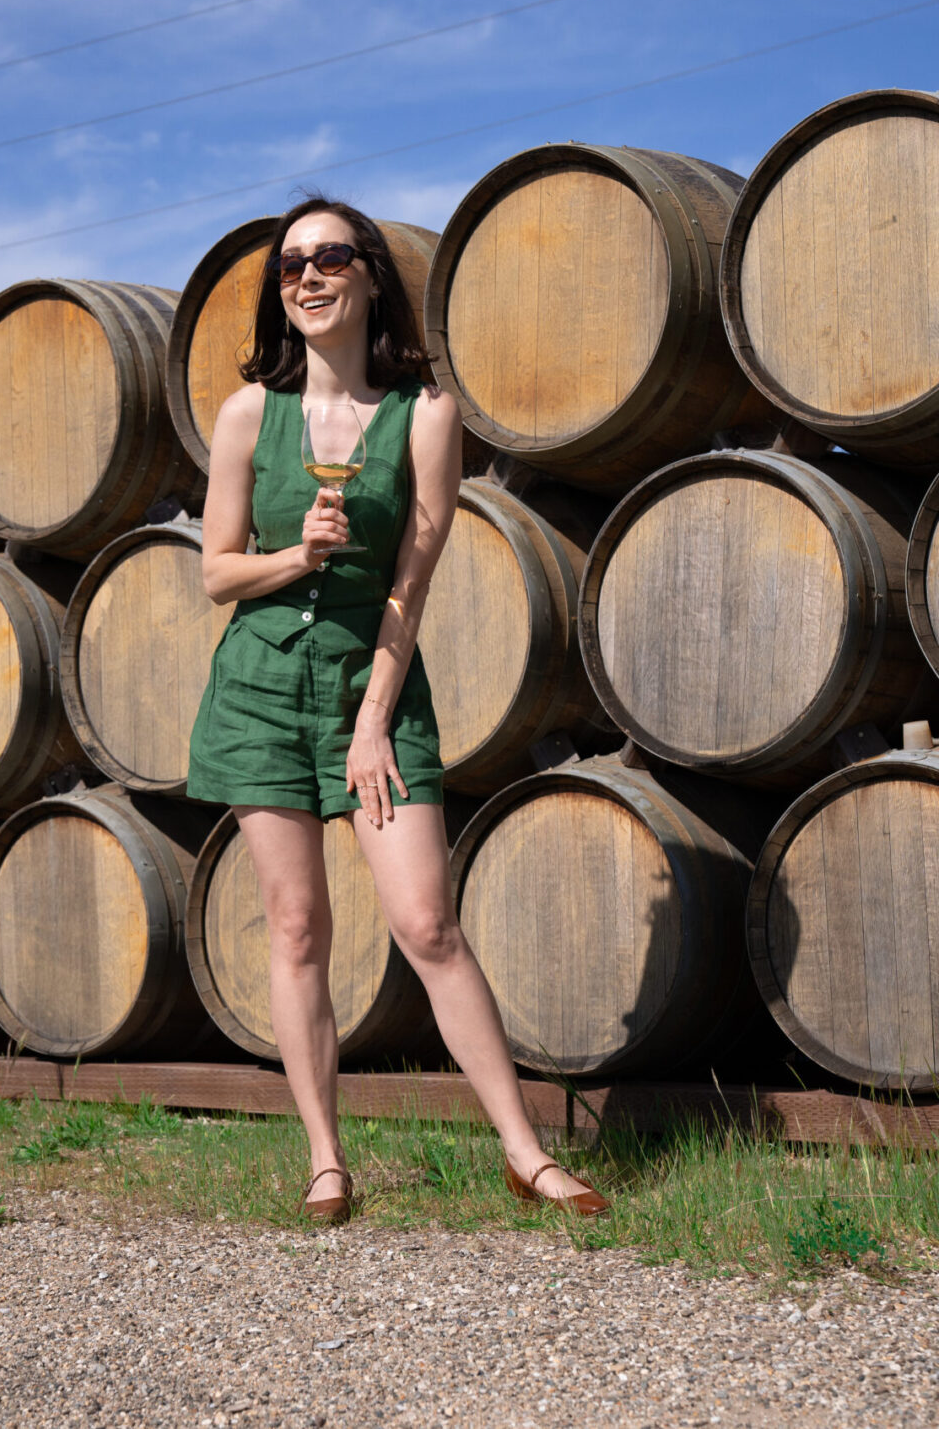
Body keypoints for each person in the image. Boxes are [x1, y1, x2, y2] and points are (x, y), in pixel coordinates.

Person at [187, 195, 609, 1223]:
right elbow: (215, 574)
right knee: (296, 930)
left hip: (371, 688)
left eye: (332, 257)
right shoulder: (249, 413)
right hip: (257, 693)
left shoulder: (426, 415)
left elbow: (412, 584)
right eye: (291, 266)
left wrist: (375, 715)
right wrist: (300, 555)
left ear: (372, 274)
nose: (310, 277)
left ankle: (527, 1154)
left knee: (426, 922)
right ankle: (327, 1161)